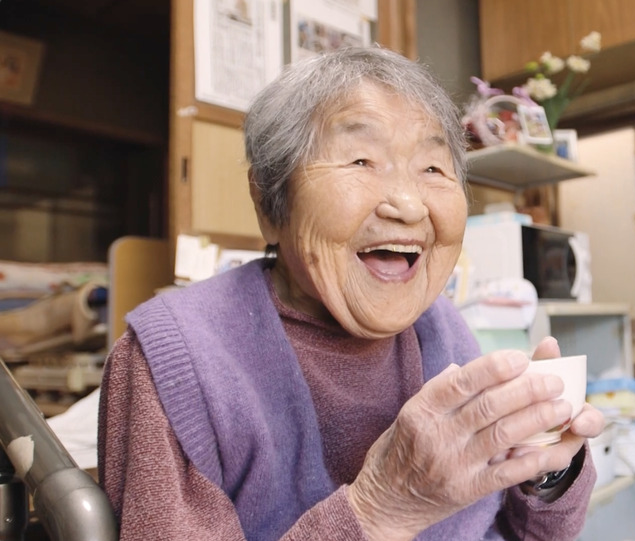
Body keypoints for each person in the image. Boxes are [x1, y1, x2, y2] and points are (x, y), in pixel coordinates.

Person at [97, 46, 605, 541]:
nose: (408, 205)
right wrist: (381, 510)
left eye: (433, 168)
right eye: (361, 161)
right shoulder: (175, 360)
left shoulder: (439, 324)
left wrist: (543, 467)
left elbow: (531, 532)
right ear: (270, 203)